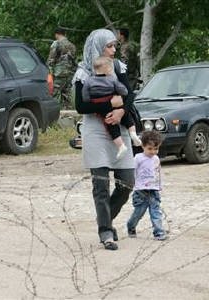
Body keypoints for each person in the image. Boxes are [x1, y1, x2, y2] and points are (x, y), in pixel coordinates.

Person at [72, 28, 135, 250]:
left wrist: (120, 112)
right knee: (101, 184)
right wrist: (111, 105)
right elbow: (81, 105)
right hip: (95, 130)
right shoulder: (83, 72)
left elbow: (129, 93)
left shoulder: (117, 67)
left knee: (127, 182)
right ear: (98, 47)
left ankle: (104, 219)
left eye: (114, 45)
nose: (113, 49)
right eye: (109, 46)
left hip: (119, 126)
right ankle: (106, 232)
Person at [82, 56, 142, 159]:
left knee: (111, 125)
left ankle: (121, 146)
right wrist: (122, 93)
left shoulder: (89, 81)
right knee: (126, 116)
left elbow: (85, 95)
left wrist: (90, 99)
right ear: (107, 69)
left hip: (101, 106)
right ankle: (133, 134)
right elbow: (123, 90)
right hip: (114, 101)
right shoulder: (112, 79)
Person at [127, 130, 167, 240]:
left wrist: (159, 186)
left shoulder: (156, 159)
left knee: (155, 212)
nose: (153, 151)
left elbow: (157, 172)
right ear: (143, 146)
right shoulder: (138, 158)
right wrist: (132, 184)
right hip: (141, 190)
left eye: (156, 148)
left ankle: (159, 232)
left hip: (153, 190)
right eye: (150, 149)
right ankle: (131, 226)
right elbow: (132, 172)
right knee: (139, 212)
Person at [46, 27, 77, 109]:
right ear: (65, 34)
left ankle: (54, 116)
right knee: (67, 96)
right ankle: (68, 116)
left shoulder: (56, 44)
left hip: (58, 74)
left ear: (56, 34)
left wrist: (50, 74)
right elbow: (74, 62)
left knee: (54, 95)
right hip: (69, 74)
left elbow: (51, 60)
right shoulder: (72, 45)